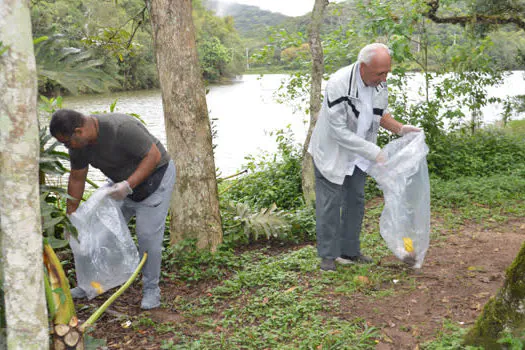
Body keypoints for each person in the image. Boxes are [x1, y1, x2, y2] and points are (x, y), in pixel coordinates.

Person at [308, 43, 421, 272]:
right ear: (363, 66)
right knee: (330, 204)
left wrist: (400, 129)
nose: (385, 78)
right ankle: (328, 256)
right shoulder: (340, 83)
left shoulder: (379, 84)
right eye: (380, 73)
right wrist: (375, 152)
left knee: (356, 201)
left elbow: (379, 115)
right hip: (333, 152)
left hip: (359, 154)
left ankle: (349, 251)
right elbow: (338, 131)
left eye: (387, 72)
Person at [49, 109, 176, 309]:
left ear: (79, 131)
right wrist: (70, 217)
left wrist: (128, 185)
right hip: (119, 185)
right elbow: (76, 178)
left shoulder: (121, 128)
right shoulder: (78, 146)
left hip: (155, 180)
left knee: (147, 239)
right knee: (99, 231)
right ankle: (90, 283)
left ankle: (151, 289)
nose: (67, 147)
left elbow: (153, 155)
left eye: (66, 142)